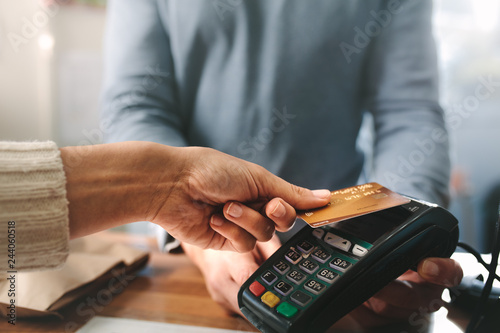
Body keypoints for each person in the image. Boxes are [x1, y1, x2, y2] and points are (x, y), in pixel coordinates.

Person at [101, 0, 464, 325]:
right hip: (188, 260)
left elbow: (409, 112)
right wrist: (196, 231)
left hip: (342, 255)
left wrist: (401, 237)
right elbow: (135, 105)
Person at [0, 140, 331, 271]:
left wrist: (171, 187)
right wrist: (172, 189)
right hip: (197, 261)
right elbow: (134, 101)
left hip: (331, 247)